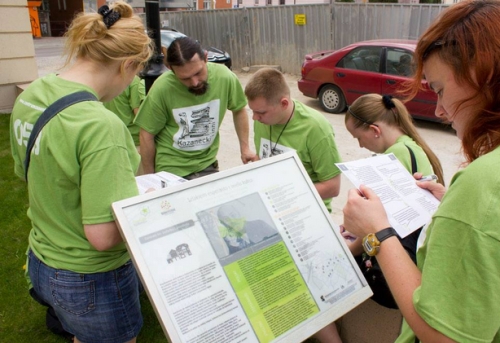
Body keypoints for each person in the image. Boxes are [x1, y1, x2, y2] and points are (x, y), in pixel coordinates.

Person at [342, 1, 500, 342]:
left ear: (485, 75)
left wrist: (376, 233)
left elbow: (445, 337)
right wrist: (455, 208)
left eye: (440, 89)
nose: (441, 110)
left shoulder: (484, 181)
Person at [10, 2, 153, 343]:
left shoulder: (32, 95)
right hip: (90, 276)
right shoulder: (102, 126)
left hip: (42, 258)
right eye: (136, 74)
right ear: (128, 65)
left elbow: (30, 174)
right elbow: (102, 238)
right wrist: (147, 206)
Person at [135, 36, 257, 180]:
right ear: (170, 68)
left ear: (205, 57)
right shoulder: (162, 88)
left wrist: (245, 149)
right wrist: (151, 179)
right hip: (171, 169)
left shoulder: (225, 77)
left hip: (207, 165)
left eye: (198, 73)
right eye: (185, 78)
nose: (194, 82)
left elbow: (239, 109)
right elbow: (146, 134)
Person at [244, 68, 342, 212]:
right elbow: (262, 155)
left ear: (284, 104)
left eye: (261, 112)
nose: (254, 118)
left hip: (307, 209)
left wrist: (286, 196)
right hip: (272, 204)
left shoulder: (316, 128)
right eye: (252, 111)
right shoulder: (263, 120)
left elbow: (332, 187)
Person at [103, 75, 145, 147]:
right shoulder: (133, 81)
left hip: (113, 136)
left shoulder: (107, 79)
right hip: (134, 139)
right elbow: (138, 114)